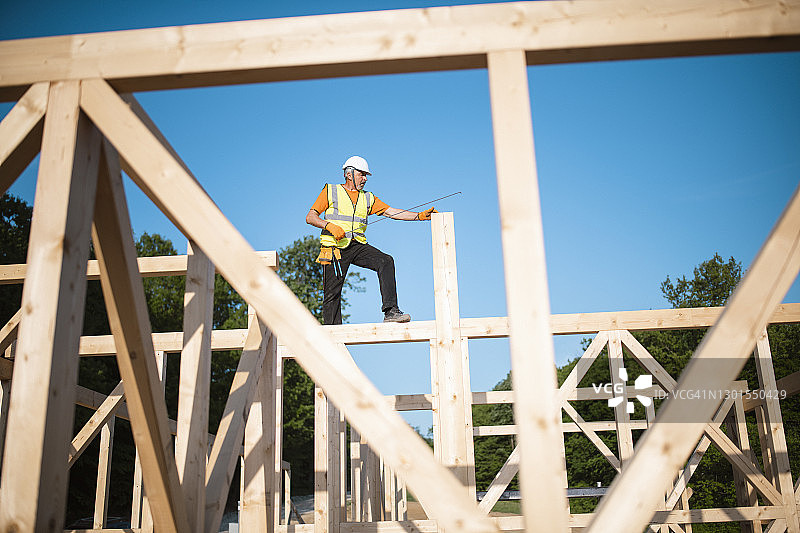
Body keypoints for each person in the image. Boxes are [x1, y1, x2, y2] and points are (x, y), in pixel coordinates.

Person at [306, 155, 436, 325]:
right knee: (332, 294)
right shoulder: (331, 191)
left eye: (366, 175)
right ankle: (333, 334)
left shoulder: (368, 198)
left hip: (357, 245)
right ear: (349, 173)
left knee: (385, 261)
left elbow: (391, 212)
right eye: (362, 174)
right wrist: (329, 226)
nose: (365, 179)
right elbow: (310, 217)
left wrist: (418, 216)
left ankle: (391, 312)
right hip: (334, 249)